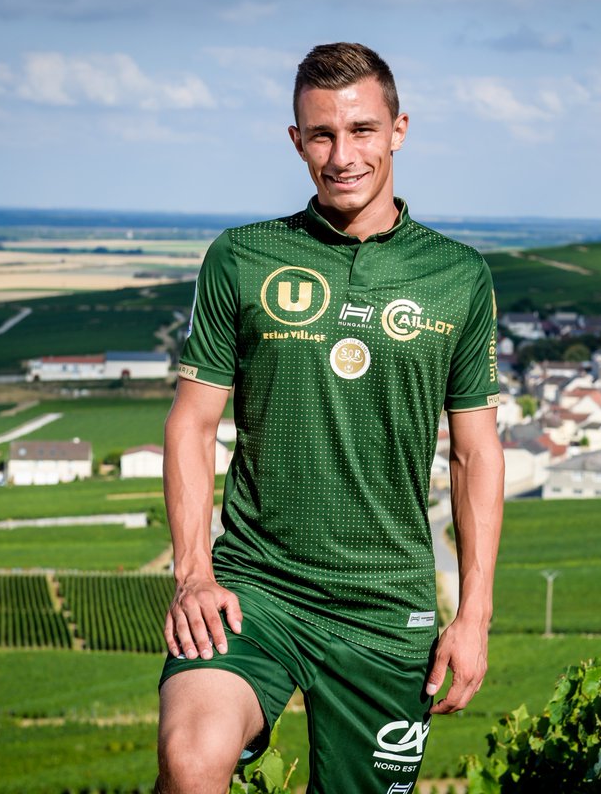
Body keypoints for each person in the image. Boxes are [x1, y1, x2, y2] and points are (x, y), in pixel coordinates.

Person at [157, 42, 504, 794]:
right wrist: (192, 573)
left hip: (387, 608)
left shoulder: (460, 277)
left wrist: (473, 616)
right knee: (191, 760)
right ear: (296, 141)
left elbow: (476, 454)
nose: (342, 154)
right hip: (257, 589)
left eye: (362, 131)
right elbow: (191, 425)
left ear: (399, 129)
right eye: (321, 134)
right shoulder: (242, 258)